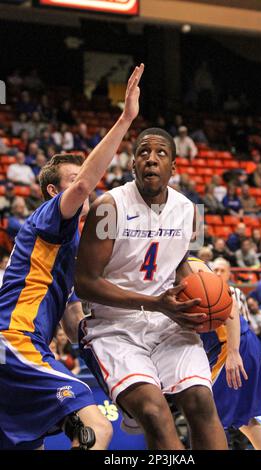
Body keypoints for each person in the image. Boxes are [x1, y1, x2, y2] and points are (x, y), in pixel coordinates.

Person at [0, 63, 145, 450]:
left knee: (31, 443)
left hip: (20, 349)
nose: (86, 185)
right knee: (96, 429)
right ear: (52, 192)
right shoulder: (47, 220)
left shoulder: (70, 248)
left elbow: (74, 321)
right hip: (14, 339)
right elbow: (83, 184)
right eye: (73, 180)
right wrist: (126, 118)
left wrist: (119, 376)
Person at [76, 127, 228, 450]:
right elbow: (84, 284)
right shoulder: (108, 207)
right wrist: (154, 303)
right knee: (154, 412)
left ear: (174, 167)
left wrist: (201, 300)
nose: (151, 159)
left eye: (161, 154)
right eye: (143, 153)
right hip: (115, 327)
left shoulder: (190, 210)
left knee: (202, 401)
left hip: (167, 321)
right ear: (132, 166)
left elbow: (180, 263)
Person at [188, 257, 261, 450]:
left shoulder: (192, 267)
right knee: (245, 422)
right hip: (237, 345)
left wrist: (234, 353)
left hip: (232, 347)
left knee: (206, 419)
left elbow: (232, 308)